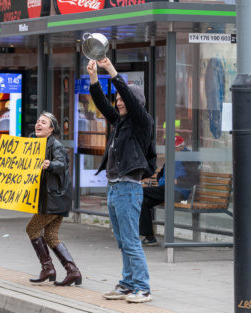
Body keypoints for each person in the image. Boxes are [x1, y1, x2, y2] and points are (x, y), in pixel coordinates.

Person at [87, 58, 156, 304]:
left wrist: (112, 71)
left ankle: (143, 288)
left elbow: (125, 91)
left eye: (121, 98)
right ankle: (127, 285)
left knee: (130, 241)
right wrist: (94, 77)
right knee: (122, 241)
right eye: (116, 99)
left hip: (129, 188)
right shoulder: (120, 123)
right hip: (115, 187)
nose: (117, 101)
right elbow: (102, 104)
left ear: (134, 103)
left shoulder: (142, 123)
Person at [25, 112, 82, 287]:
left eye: (43, 122)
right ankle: (73, 271)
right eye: (37, 121)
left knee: (32, 229)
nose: (38, 124)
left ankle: (48, 268)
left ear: (51, 128)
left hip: (53, 200)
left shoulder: (55, 145)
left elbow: (62, 164)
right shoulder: (33, 143)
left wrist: (50, 165)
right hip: (53, 199)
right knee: (50, 235)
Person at [140, 136, 199, 245]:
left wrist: (177, 180)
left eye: (175, 147)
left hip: (178, 192)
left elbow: (195, 178)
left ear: (182, 146)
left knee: (140, 192)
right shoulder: (173, 156)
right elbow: (161, 173)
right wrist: (160, 181)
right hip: (165, 189)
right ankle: (149, 237)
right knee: (144, 202)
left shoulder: (189, 157)